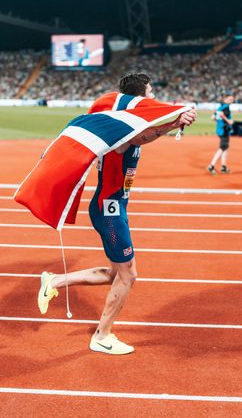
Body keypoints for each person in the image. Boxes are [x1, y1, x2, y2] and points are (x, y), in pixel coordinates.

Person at [37, 73, 197, 355]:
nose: (152, 97)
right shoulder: (121, 131)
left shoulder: (122, 124)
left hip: (113, 206)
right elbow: (140, 137)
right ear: (137, 99)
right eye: (149, 93)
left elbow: (143, 134)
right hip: (109, 208)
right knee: (128, 275)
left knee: (116, 273)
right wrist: (172, 123)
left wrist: (173, 120)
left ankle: (55, 281)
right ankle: (102, 335)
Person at [207, 94, 234, 175]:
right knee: (222, 147)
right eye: (229, 99)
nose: (231, 101)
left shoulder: (220, 107)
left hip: (220, 129)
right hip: (224, 130)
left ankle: (223, 167)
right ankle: (211, 165)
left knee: (226, 147)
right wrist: (228, 121)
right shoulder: (226, 107)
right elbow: (222, 115)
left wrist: (219, 122)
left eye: (232, 99)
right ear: (225, 99)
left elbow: (212, 117)